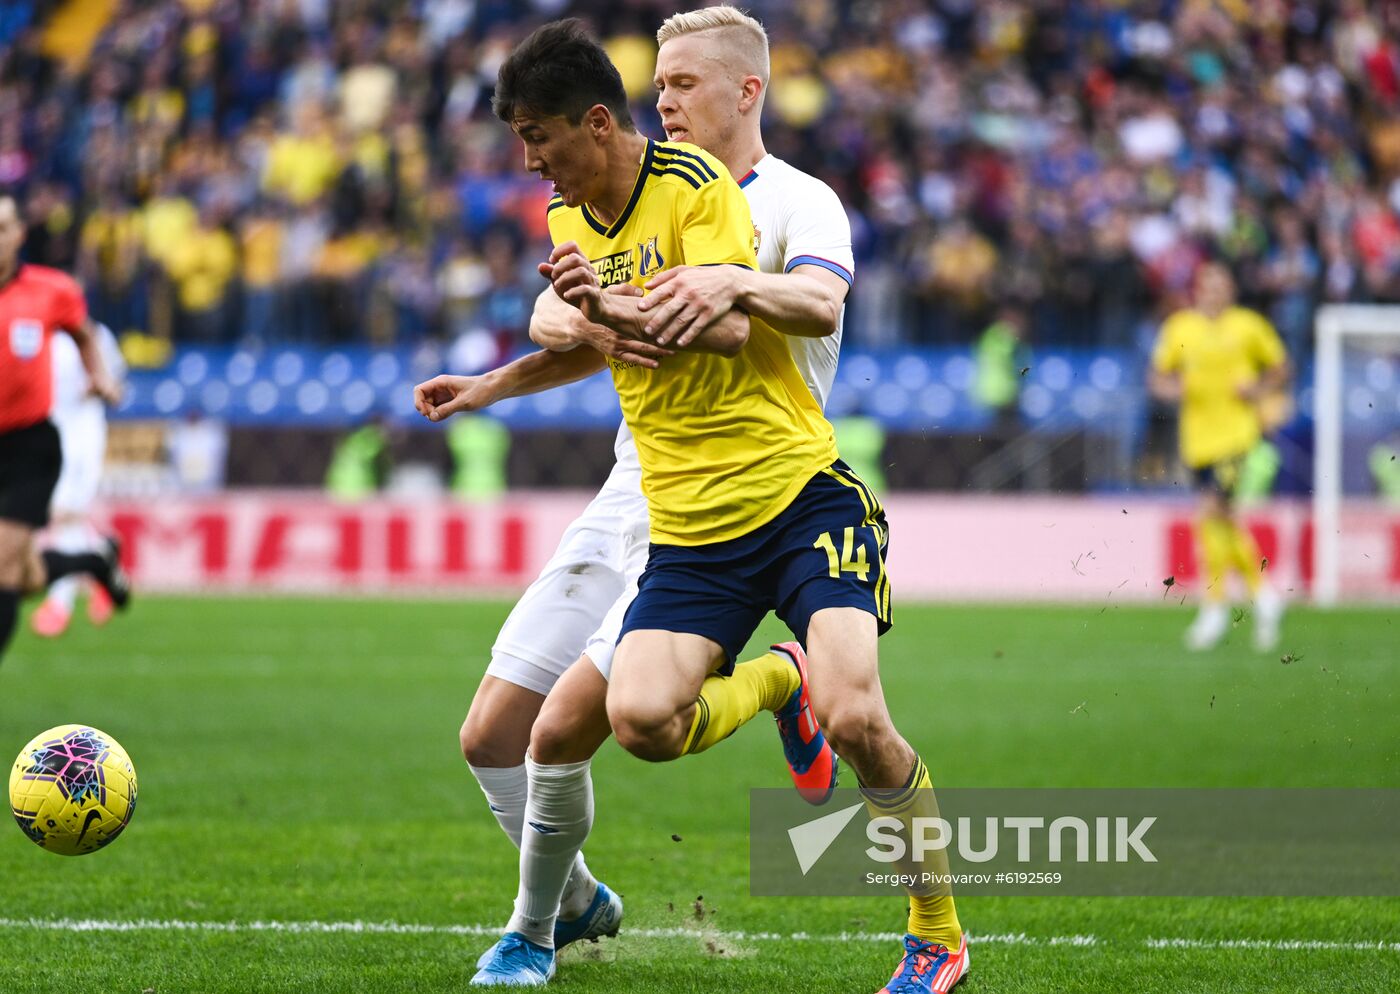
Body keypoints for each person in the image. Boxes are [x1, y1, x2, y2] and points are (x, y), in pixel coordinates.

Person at [416, 14, 964, 993]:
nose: (661, 99)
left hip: (791, 492)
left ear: (744, 90)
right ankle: (768, 687)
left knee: (856, 717)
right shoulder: (583, 205)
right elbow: (589, 318)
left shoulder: (769, 198)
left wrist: (725, 283)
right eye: (657, 84)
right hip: (668, 504)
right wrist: (503, 370)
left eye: (679, 84)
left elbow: (801, 305)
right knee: (622, 724)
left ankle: (934, 932)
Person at [0, 192, 130, 664]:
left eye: (3, 228)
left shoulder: (51, 292)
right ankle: (91, 561)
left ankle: (64, 599)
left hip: (31, 446)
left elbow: (84, 336)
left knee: (3, 568)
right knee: (24, 573)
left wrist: (100, 376)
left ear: (19, 235)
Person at [1149, 261, 1291, 651]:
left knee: (1211, 511)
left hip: (1236, 436)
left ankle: (1215, 607)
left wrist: (1258, 388)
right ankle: (1263, 596)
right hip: (1197, 440)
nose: (1214, 292)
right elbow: (1158, 376)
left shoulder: (1248, 326)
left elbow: (1281, 369)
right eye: (1207, 286)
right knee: (1219, 519)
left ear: (1230, 291)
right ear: (1197, 290)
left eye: (1221, 286)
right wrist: (1172, 389)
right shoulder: (1180, 327)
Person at [31, 320, 127, 637]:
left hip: (85, 435)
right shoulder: (41, 334)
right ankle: (101, 557)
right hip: (52, 434)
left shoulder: (97, 335)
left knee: (64, 516)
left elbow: (115, 386)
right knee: (58, 515)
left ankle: (60, 603)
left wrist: (101, 385)